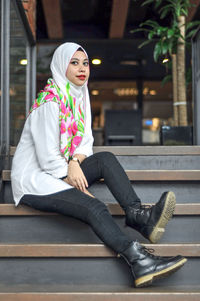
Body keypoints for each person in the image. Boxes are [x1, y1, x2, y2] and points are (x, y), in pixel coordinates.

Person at [11, 42, 187, 288]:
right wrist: (73, 183)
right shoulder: (49, 103)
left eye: (85, 63)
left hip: (62, 167)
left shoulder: (80, 96)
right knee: (95, 207)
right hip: (36, 179)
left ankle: (139, 216)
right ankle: (139, 262)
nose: (82, 69)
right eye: (74, 63)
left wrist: (74, 163)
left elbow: (86, 141)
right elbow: (47, 159)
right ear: (62, 67)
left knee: (105, 159)